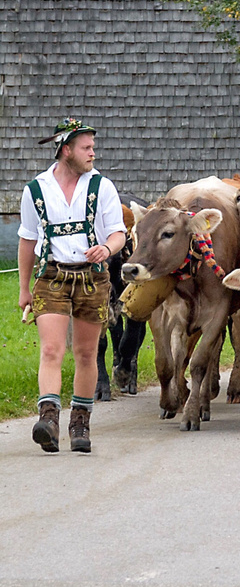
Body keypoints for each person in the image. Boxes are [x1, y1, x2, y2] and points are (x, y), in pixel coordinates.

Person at [18, 119, 128, 454]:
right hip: (51, 276)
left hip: (92, 278)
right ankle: (48, 419)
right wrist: (24, 288)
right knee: (51, 350)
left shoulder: (101, 187)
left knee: (86, 352)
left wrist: (107, 249)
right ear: (66, 150)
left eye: (93, 147)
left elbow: (118, 233)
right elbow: (27, 240)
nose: (93, 152)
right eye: (86, 147)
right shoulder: (35, 189)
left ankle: (80, 421)